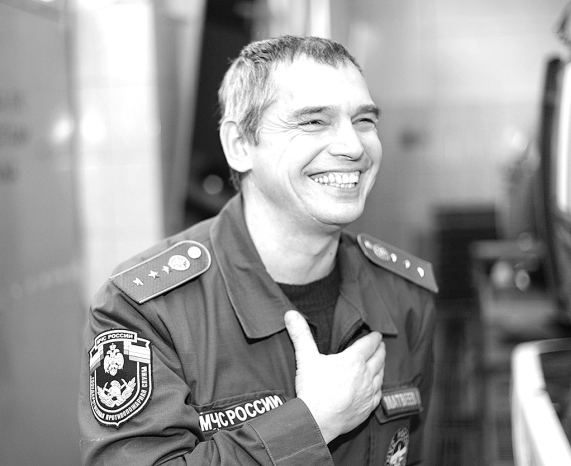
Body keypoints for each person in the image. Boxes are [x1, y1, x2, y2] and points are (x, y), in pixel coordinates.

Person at [78, 35, 438, 465]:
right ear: (240, 145)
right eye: (314, 121)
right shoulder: (146, 311)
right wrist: (310, 424)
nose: (354, 146)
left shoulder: (405, 296)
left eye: (364, 120)